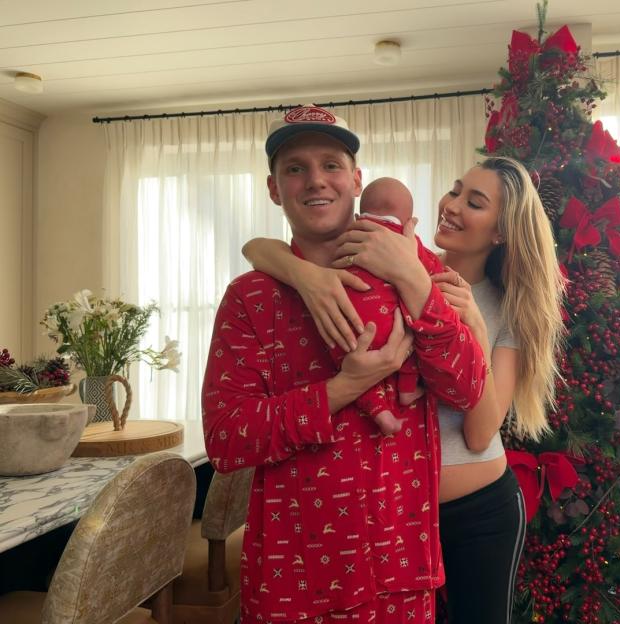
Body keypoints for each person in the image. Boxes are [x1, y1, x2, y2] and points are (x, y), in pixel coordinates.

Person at [243, 156, 566, 624]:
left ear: (500, 232)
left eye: (473, 202)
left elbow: (479, 434)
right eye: (455, 189)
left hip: (479, 513)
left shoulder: (504, 308)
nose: (451, 205)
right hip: (395, 516)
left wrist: (472, 329)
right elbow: (265, 248)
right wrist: (300, 273)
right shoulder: (394, 261)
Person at [202, 105, 488, 624]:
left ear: (356, 180)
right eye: (296, 168)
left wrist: (415, 282)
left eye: (331, 165)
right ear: (274, 189)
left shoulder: (416, 267)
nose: (316, 180)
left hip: (400, 575)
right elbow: (226, 440)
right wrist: (345, 387)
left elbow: (468, 389)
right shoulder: (252, 297)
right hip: (294, 587)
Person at [320, 176, 446, 435]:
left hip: (348, 320)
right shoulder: (406, 241)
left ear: (357, 215)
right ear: (409, 222)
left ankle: (380, 412)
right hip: (393, 322)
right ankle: (407, 392)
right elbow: (432, 271)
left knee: (349, 361)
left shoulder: (349, 233)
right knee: (411, 345)